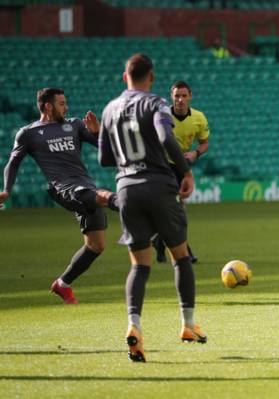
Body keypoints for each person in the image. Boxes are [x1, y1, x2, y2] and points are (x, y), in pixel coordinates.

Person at [99, 54, 207, 363]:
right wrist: (185, 171)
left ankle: (134, 325)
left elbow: (105, 159)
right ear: (152, 77)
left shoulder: (109, 109)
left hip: (126, 188)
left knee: (139, 265)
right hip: (159, 184)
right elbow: (165, 135)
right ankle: (188, 325)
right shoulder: (156, 103)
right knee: (181, 255)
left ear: (125, 77)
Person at [0, 87, 118, 304]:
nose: (67, 107)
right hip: (64, 189)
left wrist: (98, 133)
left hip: (85, 186)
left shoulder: (74, 125)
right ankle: (124, 203)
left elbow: (108, 151)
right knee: (102, 197)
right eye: (62, 103)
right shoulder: (28, 133)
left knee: (96, 245)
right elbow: (13, 163)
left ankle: (62, 284)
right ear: (48, 106)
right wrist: (7, 189)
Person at [152, 80, 210, 264]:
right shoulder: (162, 116)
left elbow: (204, 143)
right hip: (162, 166)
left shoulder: (199, 118)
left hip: (181, 167)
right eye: (177, 95)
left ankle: (159, 242)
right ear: (172, 97)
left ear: (190, 97)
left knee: (171, 211)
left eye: (184, 96)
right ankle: (185, 251)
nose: (180, 99)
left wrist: (195, 153)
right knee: (177, 211)